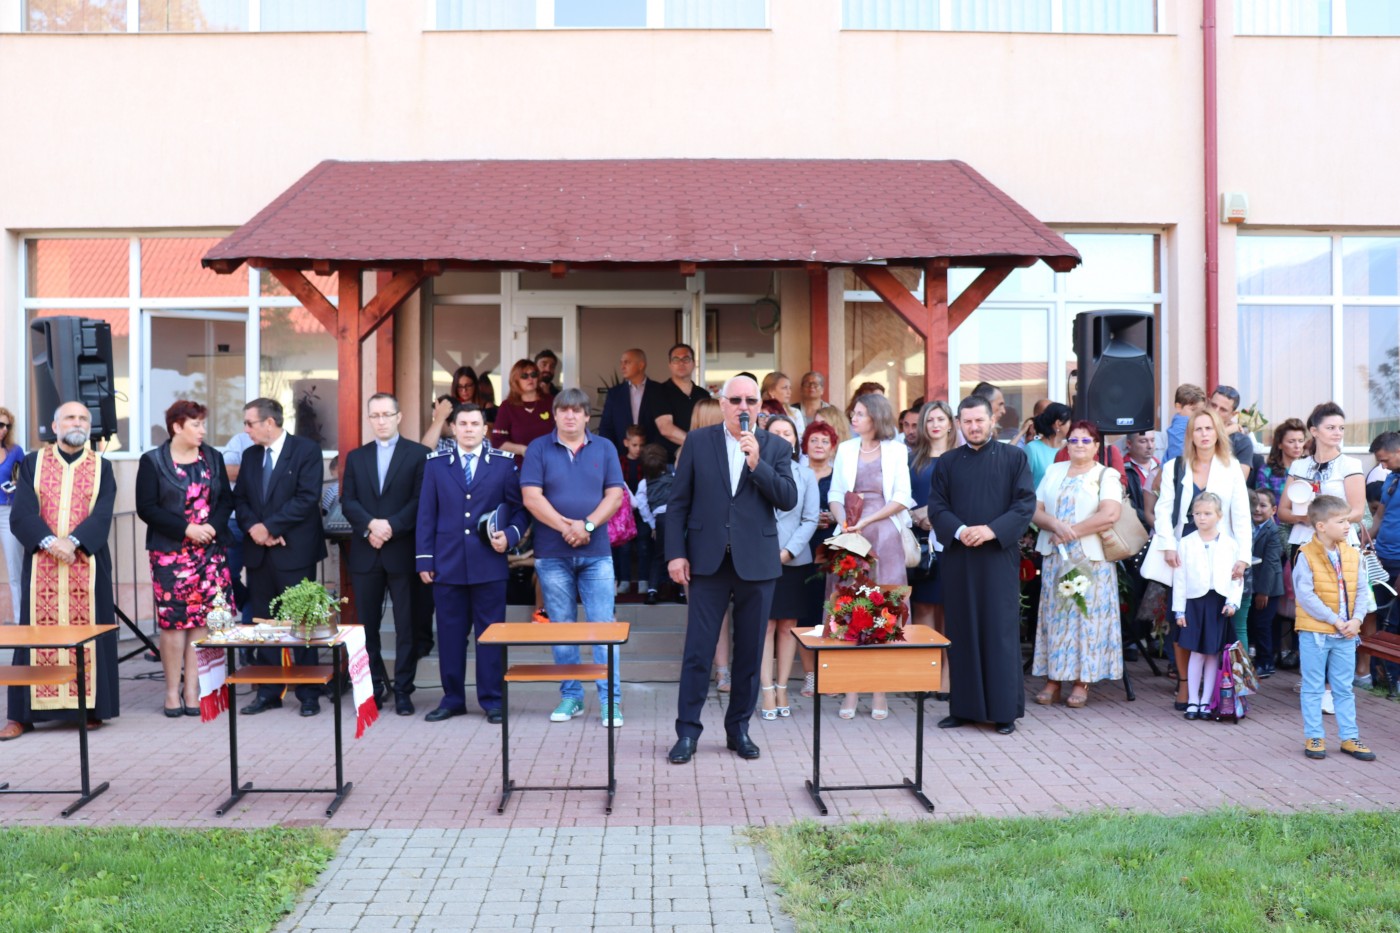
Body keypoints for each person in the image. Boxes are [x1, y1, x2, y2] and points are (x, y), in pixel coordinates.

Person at [664, 375, 797, 764]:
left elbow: (788, 498)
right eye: (736, 400)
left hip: (757, 561)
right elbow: (678, 503)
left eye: (751, 401)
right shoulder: (697, 442)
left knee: (751, 652)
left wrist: (758, 464)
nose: (743, 407)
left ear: (760, 407)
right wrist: (675, 554)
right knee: (698, 650)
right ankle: (687, 732)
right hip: (707, 561)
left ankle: (738, 729)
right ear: (722, 404)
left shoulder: (775, 446)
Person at [1, 402, 120, 741]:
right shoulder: (33, 463)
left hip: (88, 563)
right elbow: (22, 513)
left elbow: (103, 513)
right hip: (43, 564)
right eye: (70, 417)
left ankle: (89, 709)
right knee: (34, 636)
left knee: (91, 636)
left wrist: (75, 542)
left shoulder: (102, 466)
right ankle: (22, 715)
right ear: (54, 426)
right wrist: (52, 542)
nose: (77, 423)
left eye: (83, 418)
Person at [929, 395, 1036, 735]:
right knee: (961, 631)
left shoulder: (1014, 458)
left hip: (997, 558)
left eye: (979, 420)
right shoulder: (948, 462)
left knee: (999, 632)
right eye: (968, 421)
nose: (974, 427)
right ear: (959, 424)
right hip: (959, 558)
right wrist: (960, 530)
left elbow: (1024, 505)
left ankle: (1004, 712)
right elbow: (937, 507)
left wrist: (991, 530)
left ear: (992, 421)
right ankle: (963, 708)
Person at [521, 388, 627, 727]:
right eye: (564, 410)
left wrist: (588, 525)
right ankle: (571, 697)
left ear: (586, 416)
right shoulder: (538, 448)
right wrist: (568, 527)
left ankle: (610, 701)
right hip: (552, 554)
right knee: (562, 628)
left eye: (576, 410)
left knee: (603, 627)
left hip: (596, 554)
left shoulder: (605, 448)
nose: (570, 416)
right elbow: (531, 497)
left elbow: (615, 495)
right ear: (555, 414)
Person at [416, 403, 526, 723]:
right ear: (452, 428)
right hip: (447, 564)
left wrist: (510, 535)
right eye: (462, 423)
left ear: (485, 429)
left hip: (488, 565)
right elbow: (426, 514)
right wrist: (424, 559)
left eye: (474, 423)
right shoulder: (436, 465)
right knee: (450, 637)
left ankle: (492, 700)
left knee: (490, 636)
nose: (468, 429)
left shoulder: (503, 464)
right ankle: (452, 699)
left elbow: (519, 511)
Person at [135, 400, 235, 717]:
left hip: (210, 551)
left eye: (203, 424)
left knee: (203, 621)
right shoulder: (153, 461)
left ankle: (193, 689)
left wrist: (212, 527)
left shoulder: (213, 458)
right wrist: (187, 529)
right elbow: (147, 508)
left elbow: (226, 500)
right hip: (171, 554)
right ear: (177, 427)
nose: (202, 430)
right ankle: (170, 692)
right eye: (196, 424)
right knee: (174, 623)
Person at [1150, 409, 1251, 709]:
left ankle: (1216, 688)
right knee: (1183, 620)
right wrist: (1168, 545)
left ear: (1218, 432)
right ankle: (1185, 685)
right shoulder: (1175, 467)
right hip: (1184, 552)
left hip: (1220, 553)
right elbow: (1163, 510)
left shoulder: (1231, 467)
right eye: (1198, 429)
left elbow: (1241, 515)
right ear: (1190, 435)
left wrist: (1243, 556)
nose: (1204, 434)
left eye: (1209, 428)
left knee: (1217, 622)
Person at [233, 398, 328, 716]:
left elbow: (307, 497)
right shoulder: (250, 455)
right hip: (259, 553)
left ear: (269, 423)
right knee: (265, 625)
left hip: (295, 551)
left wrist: (270, 527)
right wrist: (255, 529)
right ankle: (269, 691)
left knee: (303, 623)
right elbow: (240, 499)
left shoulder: (306, 450)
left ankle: (309, 692)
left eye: (250, 423)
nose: (246, 430)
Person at [341, 393, 432, 716]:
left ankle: (404, 690)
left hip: (402, 550)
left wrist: (390, 527)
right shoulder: (357, 457)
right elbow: (348, 501)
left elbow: (421, 501)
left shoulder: (419, 454)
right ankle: (375, 686)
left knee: (407, 625)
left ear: (399, 417)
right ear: (369, 419)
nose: (381, 421)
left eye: (386, 414)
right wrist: (371, 527)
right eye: (375, 415)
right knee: (367, 627)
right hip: (366, 552)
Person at [830, 393, 914, 719]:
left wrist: (868, 520)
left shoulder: (896, 450)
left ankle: (880, 690)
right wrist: (845, 522)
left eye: (861, 413)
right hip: (851, 530)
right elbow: (835, 493)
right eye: (853, 412)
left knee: (884, 610)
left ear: (876, 417)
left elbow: (902, 496)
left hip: (885, 531)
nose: (854, 418)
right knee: (850, 608)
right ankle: (851, 689)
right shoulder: (845, 449)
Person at [1031, 422, 1124, 708]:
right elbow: (1034, 509)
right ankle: (1053, 679)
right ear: (1067, 445)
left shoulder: (1106, 474)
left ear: (1096, 446)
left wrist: (1071, 531)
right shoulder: (1054, 471)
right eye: (1074, 440)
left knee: (1086, 618)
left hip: (1089, 558)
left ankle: (1082, 681)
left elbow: (1110, 515)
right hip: (1056, 555)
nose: (1079, 445)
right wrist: (1055, 526)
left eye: (1086, 441)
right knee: (1056, 617)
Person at [1277, 403, 1368, 683]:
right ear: (1314, 431)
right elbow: (1283, 512)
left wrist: (1327, 522)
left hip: (1339, 543)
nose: (1337, 432)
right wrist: (1305, 519)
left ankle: (1334, 680)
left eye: (1341, 427)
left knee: (1340, 602)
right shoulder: (1300, 465)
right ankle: (1312, 676)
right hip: (1304, 542)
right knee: (1307, 603)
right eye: (1330, 427)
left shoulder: (1350, 464)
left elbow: (1357, 511)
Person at [1294, 495, 1377, 761]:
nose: (1347, 526)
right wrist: (1336, 620)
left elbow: (1362, 590)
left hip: (1346, 634)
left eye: (1347, 521)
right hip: (1315, 633)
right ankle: (1314, 736)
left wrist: (1357, 620)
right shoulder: (1306, 555)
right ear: (1321, 526)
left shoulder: (1352, 554)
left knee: (1344, 687)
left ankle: (1349, 738)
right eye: (1340, 521)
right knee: (1313, 687)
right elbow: (1306, 596)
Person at [758, 415, 818, 721]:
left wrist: (788, 551)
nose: (783, 438)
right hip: (758, 559)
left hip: (794, 560)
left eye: (788, 433)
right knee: (764, 626)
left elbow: (810, 519)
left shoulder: (805, 474)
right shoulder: (753, 469)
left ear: (796, 441)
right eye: (776, 433)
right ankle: (766, 690)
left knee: (787, 626)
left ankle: (782, 688)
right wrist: (767, 552)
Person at [1172, 492, 1243, 720]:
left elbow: (1236, 578)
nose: (1202, 518)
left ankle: (1206, 701)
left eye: (1207, 513)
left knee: (1212, 653)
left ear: (1219, 515)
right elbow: (1179, 578)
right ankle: (1193, 700)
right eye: (1197, 513)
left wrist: (1232, 602)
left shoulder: (1230, 544)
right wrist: (1179, 610)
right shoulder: (1186, 543)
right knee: (1196, 652)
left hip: (1218, 603)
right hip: (1194, 602)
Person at [798, 420, 839, 697]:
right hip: (802, 550)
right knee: (806, 614)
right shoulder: (797, 474)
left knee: (832, 613)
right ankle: (810, 676)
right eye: (814, 440)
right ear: (805, 445)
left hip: (832, 551)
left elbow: (849, 508)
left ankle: (831, 674)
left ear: (833, 446)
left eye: (825, 441)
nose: (819, 445)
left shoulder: (839, 477)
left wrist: (834, 516)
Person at [908, 401, 954, 636]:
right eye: (930, 420)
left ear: (950, 424)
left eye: (940, 419)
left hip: (952, 540)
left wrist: (935, 514)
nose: (935, 424)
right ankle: (926, 660)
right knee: (923, 604)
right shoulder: (911, 460)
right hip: (920, 543)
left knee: (949, 607)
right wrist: (916, 517)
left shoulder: (961, 458)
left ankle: (947, 662)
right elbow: (900, 498)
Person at [1249, 488, 1285, 678]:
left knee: (1263, 625)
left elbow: (1271, 564)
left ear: (1273, 510)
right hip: (1251, 585)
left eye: (1263, 505)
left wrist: (1264, 592)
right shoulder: (1247, 526)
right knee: (1253, 624)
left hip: (1268, 588)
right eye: (1254, 504)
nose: (1257, 509)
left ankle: (1266, 662)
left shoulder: (1274, 532)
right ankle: (1257, 659)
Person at [598, 348, 664, 449]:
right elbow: (605, 427)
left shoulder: (659, 390)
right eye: (621, 363)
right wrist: (611, 452)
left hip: (652, 454)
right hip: (621, 454)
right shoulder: (614, 393)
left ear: (641, 365)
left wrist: (655, 452)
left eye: (627, 362)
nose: (622, 367)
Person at [491, 359, 555, 460]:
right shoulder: (507, 406)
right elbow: (497, 442)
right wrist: (522, 450)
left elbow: (564, 433)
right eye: (524, 376)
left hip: (549, 463)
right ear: (515, 380)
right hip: (519, 466)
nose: (530, 379)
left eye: (533, 374)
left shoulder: (551, 402)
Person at [654, 343, 710, 456]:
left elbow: (709, 425)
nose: (681, 363)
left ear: (694, 363)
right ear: (670, 365)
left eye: (686, 359)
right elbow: (665, 428)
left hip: (699, 458)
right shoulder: (659, 391)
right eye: (676, 359)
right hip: (669, 461)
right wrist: (697, 444)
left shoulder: (703, 394)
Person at [635, 443, 674, 605]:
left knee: (659, 555)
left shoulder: (644, 483)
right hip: (677, 518)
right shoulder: (675, 475)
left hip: (661, 520)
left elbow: (641, 505)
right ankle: (681, 591)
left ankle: (652, 590)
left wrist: (652, 525)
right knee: (681, 554)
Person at [613, 425, 648, 597]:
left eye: (641, 445)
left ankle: (644, 580)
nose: (638, 449)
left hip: (643, 511)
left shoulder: (646, 462)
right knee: (624, 547)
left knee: (643, 545)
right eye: (634, 445)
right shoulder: (619, 463)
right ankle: (624, 580)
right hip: (623, 513)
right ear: (626, 443)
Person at [0, 405, 25, 623]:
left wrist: (17, 484)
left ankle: (21, 622)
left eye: (8, 426)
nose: (4, 430)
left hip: (7, 512)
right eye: (1, 425)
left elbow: (27, 477)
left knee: (15, 570)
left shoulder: (15, 451)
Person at [421, 366, 479, 448]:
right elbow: (424, 450)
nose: (464, 390)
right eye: (460, 386)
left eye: (468, 385)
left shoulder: (479, 442)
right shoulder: (441, 441)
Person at [1209, 385, 1256, 483]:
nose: (1215, 412)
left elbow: (1240, 482)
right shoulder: (1194, 428)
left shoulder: (1242, 441)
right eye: (1213, 405)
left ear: (1233, 414)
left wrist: (1224, 433)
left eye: (1223, 410)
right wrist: (1226, 431)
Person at [1255, 418, 1307, 507]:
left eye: (1301, 441)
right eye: (1291, 441)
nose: (1297, 446)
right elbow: (1263, 505)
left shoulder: (1310, 469)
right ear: (1280, 444)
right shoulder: (1266, 471)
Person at [1023, 402, 1072, 490]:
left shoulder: (1070, 448)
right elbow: (1023, 484)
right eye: (1070, 422)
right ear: (1058, 424)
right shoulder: (1032, 449)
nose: (1073, 426)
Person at [1163, 384, 1207, 462]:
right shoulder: (1179, 427)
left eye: (1201, 411)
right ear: (1179, 407)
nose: (1197, 414)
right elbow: (1177, 457)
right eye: (1193, 410)